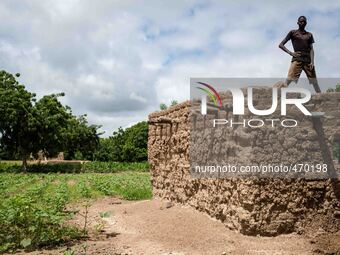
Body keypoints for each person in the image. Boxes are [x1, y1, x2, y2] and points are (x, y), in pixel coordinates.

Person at [278, 16, 321, 93]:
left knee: (314, 82)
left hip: (308, 60)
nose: (302, 23)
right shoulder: (293, 33)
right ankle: (279, 95)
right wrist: (291, 53)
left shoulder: (309, 35)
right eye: (301, 21)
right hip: (297, 59)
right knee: (289, 79)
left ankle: (322, 98)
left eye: (304, 21)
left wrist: (312, 62)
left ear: (306, 23)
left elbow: (311, 49)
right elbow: (281, 45)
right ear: (297, 22)